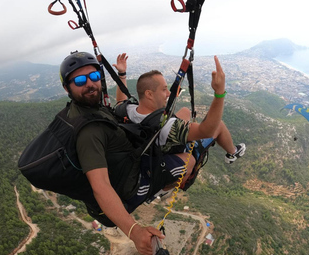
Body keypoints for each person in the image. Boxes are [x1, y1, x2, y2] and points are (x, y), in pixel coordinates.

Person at [60, 51, 168, 255]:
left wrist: (122, 75)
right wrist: (134, 231)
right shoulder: (88, 131)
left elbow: (119, 109)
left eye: (93, 77)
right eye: (81, 80)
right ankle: (163, 187)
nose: (90, 84)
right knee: (185, 161)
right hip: (125, 190)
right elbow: (100, 186)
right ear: (67, 88)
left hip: (121, 174)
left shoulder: (90, 109)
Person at [112, 53, 246, 176]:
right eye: (164, 89)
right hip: (164, 148)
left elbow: (120, 100)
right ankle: (232, 152)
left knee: (185, 111)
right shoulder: (170, 128)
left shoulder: (126, 109)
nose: (169, 94)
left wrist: (122, 73)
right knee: (219, 126)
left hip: (144, 140)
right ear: (149, 94)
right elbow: (206, 131)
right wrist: (219, 93)